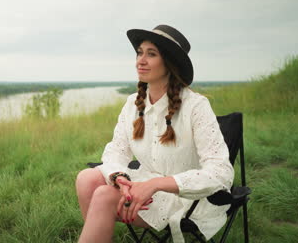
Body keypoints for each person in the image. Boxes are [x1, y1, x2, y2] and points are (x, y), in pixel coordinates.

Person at [75, 25, 234, 243]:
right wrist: (119, 177)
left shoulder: (196, 106)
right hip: (143, 184)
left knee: (103, 196)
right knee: (86, 178)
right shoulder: (133, 104)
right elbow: (116, 152)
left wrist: (155, 185)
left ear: (169, 63)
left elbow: (221, 172)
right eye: (140, 52)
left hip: (184, 198)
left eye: (151, 54)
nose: (140, 60)